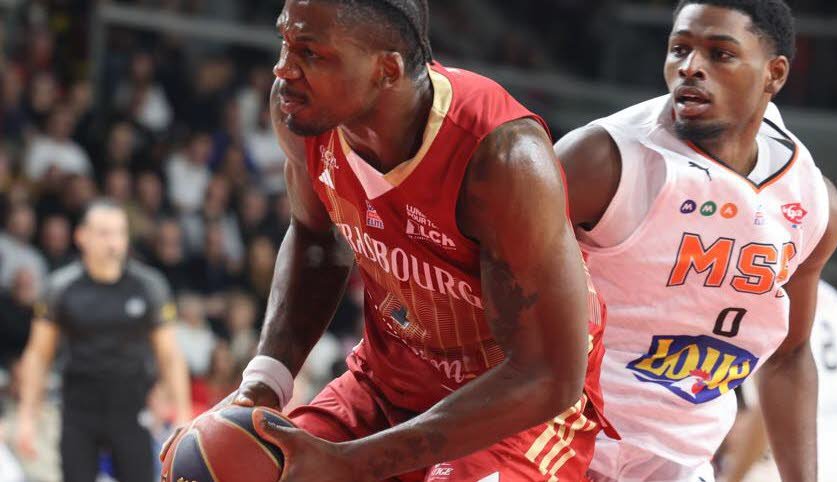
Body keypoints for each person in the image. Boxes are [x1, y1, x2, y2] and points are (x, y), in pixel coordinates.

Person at [162, 0, 611, 480]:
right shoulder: (302, 112)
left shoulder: (504, 159)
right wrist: (264, 383)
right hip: (386, 384)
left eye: (310, 53)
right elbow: (316, 241)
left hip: (512, 409)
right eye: (284, 42)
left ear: (386, 70)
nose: (283, 69)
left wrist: (352, 463)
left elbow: (549, 377)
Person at [555, 0, 837, 481]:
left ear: (773, 74)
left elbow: (788, 356)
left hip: (681, 457)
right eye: (679, 49)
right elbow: (480, 283)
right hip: (560, 438)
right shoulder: (602, 160)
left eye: (720, 54)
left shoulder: (812, 201)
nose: (690, 67)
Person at [16, 199, 192, 482]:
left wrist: (182, 414)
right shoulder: (61, 287)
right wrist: (27, 417)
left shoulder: (149, 285)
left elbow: (170, 355)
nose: (113, 242)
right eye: (104, 233)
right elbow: (38, 355)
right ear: (81, 236)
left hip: (132, 409)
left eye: (119, 233)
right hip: (78, 410)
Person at [720, 280, 837, 482]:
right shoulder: (833, 298)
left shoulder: (769, 294)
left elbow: (769, 413)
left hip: (792, 460)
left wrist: (733, 478)